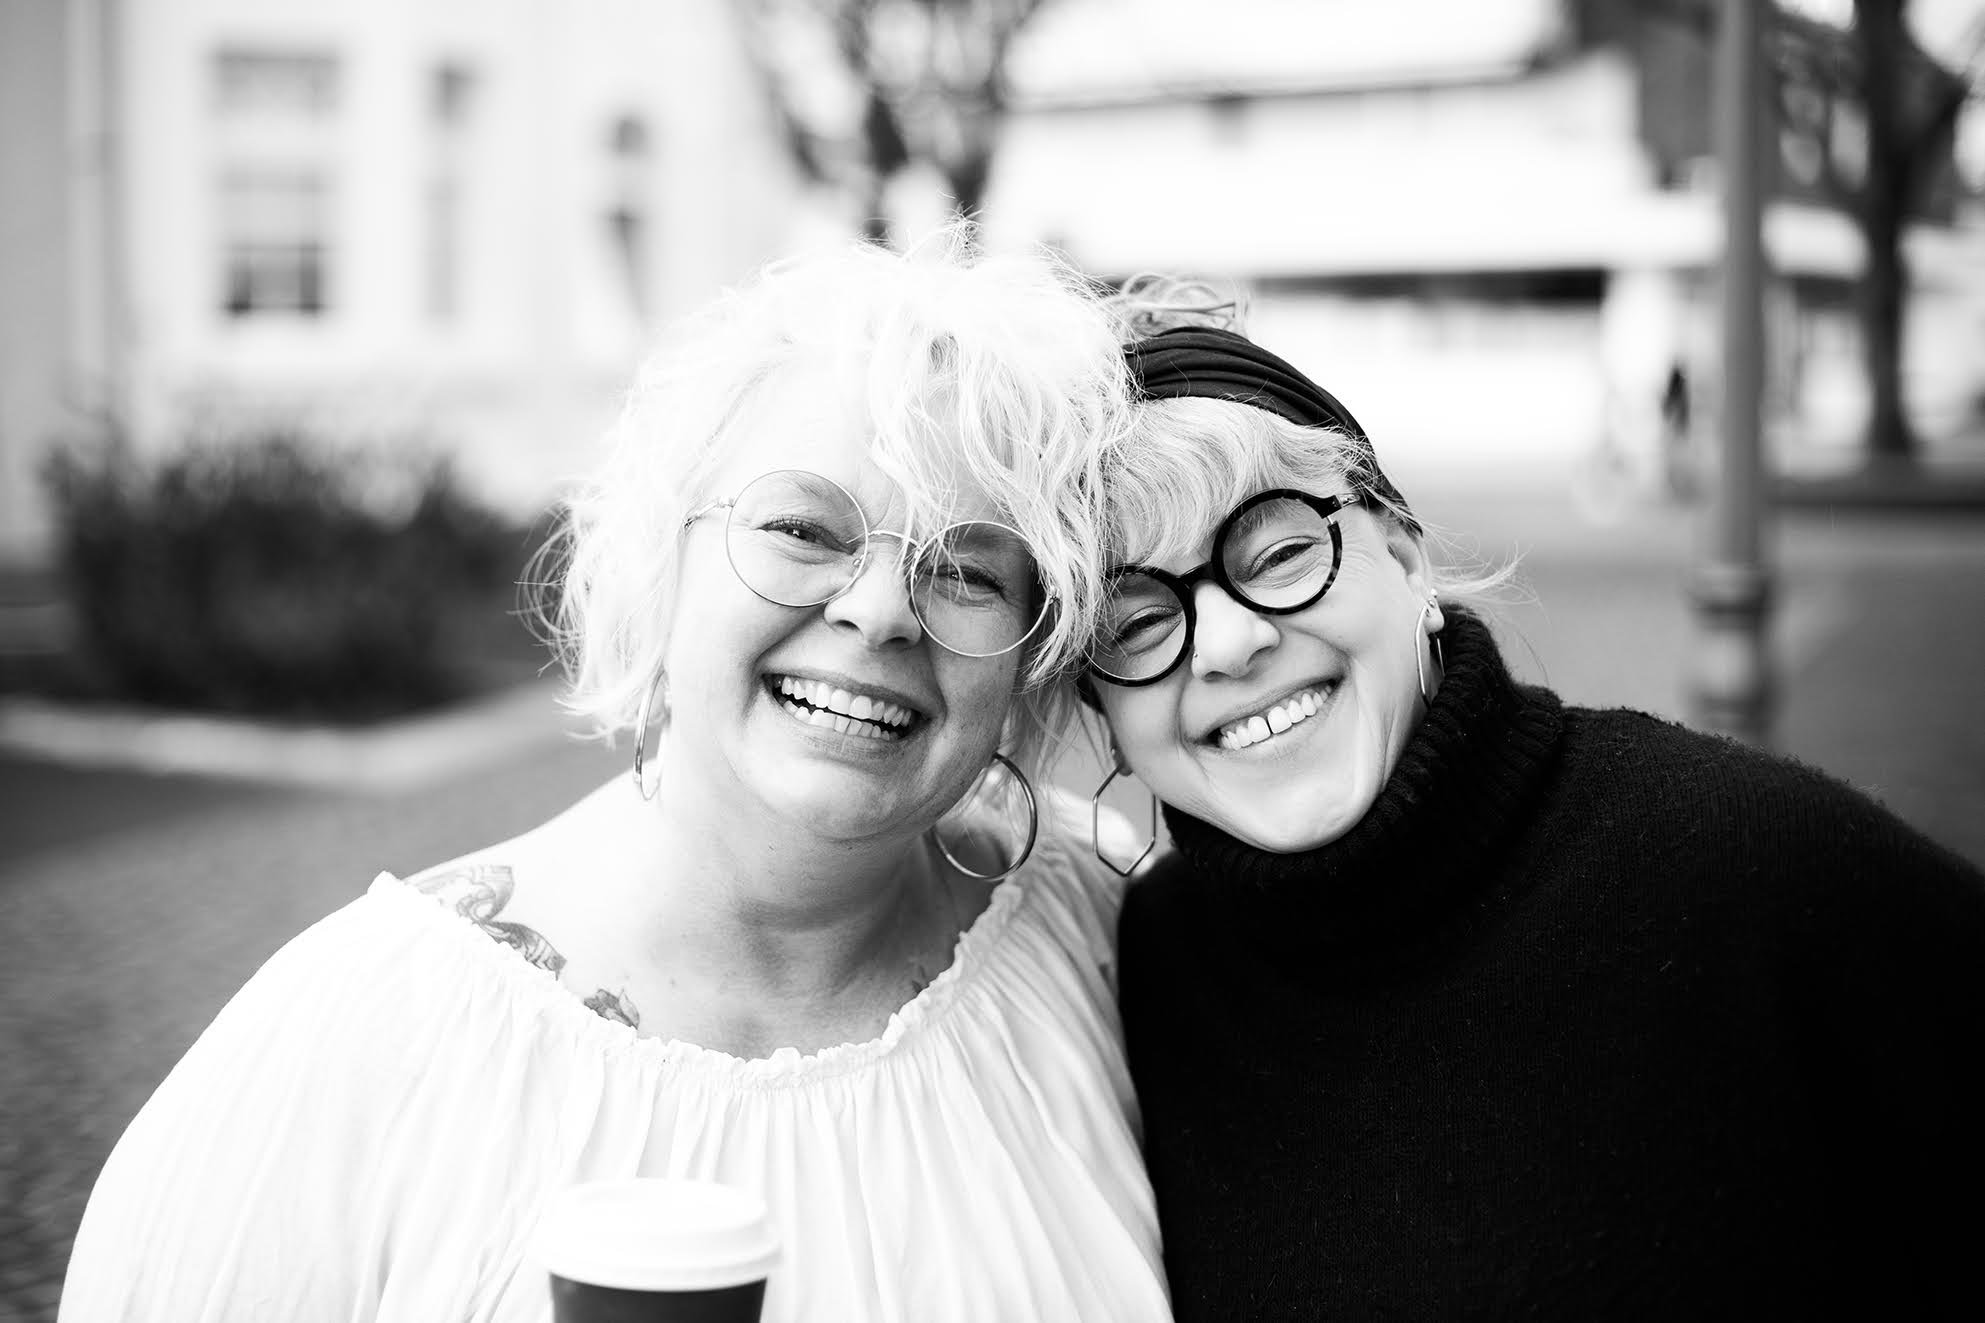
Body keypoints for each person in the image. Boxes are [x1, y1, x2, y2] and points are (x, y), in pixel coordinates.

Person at [60, 233, 1173, 1322]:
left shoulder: (1112, 942)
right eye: (801, 527)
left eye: (966, 568)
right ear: (659, 560)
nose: (878, 610)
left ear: (1031, 649)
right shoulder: (362, 1047)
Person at [1074, 289, 1985, 1320]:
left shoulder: (1747, 868)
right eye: (1136, 621)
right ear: (1102, 707)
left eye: (1279, 554)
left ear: (1405, 558)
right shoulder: (1144, 971)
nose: (1230, 642)